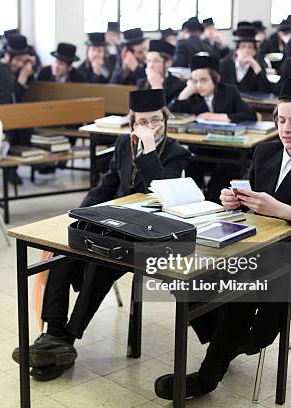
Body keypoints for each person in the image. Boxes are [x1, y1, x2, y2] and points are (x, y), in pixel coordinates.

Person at [154, 78, 291, 400]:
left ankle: (208, 375)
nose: (286, 128)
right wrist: (234, 200)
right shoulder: (266, 152)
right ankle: (225, 343)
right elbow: (253, 207)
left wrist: (282, 209)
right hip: (259, 246)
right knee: (185, 274)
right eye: (281, 120)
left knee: (241, 288)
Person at [10, 89, 191, 381]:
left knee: (99, 260)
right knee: (65, 250)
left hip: (147, 232)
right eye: (142, 122)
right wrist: (76, 215)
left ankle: (66, 340)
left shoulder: (176, 152)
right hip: (112, 222)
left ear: (166, 120)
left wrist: (148, 149)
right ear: (132, 121)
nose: (149, 127)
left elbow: (164, 190)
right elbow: (106, 187)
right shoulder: (123, 143)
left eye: (155, 120)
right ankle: (53, 334)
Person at [169, 55, 257, 200]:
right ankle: (194, 202)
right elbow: (172, 115)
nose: (199, 85)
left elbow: (250, 115)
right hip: (201, 150)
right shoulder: (192, 95)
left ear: (216, 79)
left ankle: (214, 201)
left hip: (227, 151)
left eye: (203, 80)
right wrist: (186, 92)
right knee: (190, 166)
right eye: (195, 81)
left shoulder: (229, 91)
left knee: (220, 179)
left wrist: (222, 117)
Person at [4, 33, 37, 185]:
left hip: (17, 115)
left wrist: (29, 68)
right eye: (17, 59)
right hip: (1, 114)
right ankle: (10, 170)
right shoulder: (2, 70)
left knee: (25, 127)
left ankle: (16, 167)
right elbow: (11, 95)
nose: (19, 64)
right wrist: (22, 77)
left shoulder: (24, 68)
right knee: (17, 128)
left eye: (22, 60)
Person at [219, 26, 272, 93]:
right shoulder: (225, 65)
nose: (246, 51)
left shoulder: (258, 67)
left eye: (250, 47)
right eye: (243, 46)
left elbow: (267, 90)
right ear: (237, 50)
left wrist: (255, 66)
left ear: (254, 51)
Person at [136, 40, 185, 104]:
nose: (151, 65)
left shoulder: (178, 85)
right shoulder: (141, 83)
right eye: (148, 61)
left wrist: (157, 86)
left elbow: (166, 112)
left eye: (156, 61)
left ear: (168, 63)